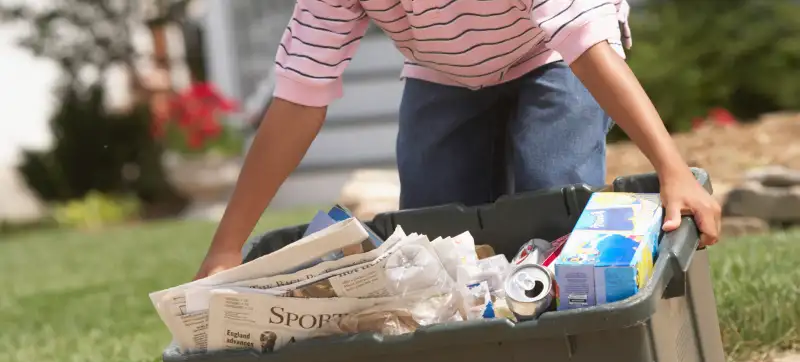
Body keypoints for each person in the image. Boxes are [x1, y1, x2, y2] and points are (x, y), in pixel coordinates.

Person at [194, 0, 722, 280]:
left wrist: (671, 168)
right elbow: (298, 99)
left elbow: (585, 44)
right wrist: (226, 247)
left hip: (555, 53)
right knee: (434, 247)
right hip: (442, 68)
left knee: (551, 203)